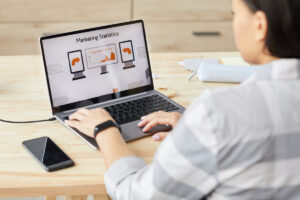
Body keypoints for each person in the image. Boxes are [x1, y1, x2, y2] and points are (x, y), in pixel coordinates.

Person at [65, 0, 300, 199]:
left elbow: (136, 193)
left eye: (235, 14)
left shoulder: (220, 113)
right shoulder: (221, 118)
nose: (234, 24)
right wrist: (196, 128)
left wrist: (105, 129)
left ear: (260, 26)